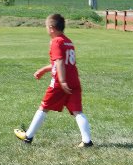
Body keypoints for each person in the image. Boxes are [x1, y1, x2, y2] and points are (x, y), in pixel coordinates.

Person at [14, 13, 93, 147]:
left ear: (51, 28)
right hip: (74, 80)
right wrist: (44, 70)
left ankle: (28, 136)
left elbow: (60, 62)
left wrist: (62, 81)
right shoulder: (68, 41)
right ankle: (87, 141)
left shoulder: (56, 42)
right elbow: (61, 63)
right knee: (77, 111)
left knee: (44, 107)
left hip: (59, 82)